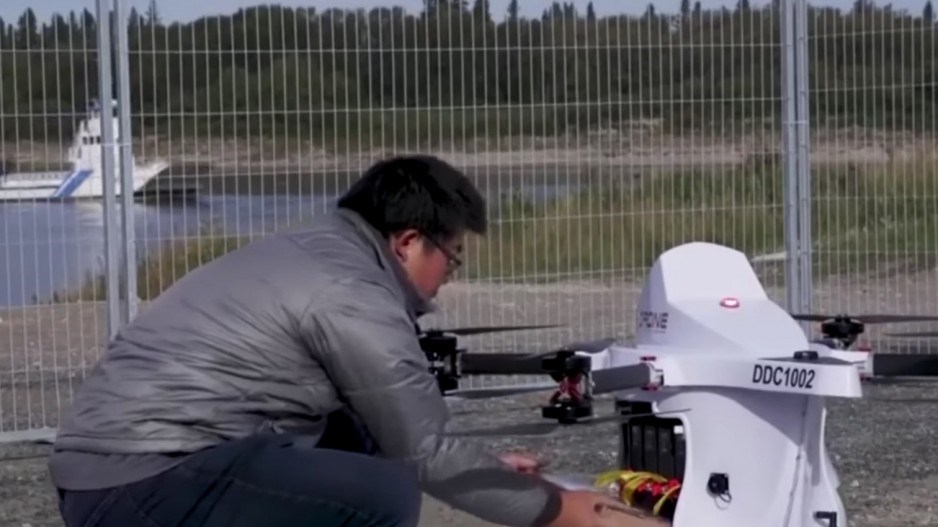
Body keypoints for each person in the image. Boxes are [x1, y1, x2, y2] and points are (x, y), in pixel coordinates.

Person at [48, 154, 661, 527]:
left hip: (121, 473)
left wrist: (485, 471)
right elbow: (424, 454)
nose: (446, 281)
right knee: (382, 495)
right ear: (407, 241)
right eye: (451, 259)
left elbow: (399, 434)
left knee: (362, 444)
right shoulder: (352, 292)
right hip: (139, 484)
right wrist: (559, 511)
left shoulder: (319, 251)